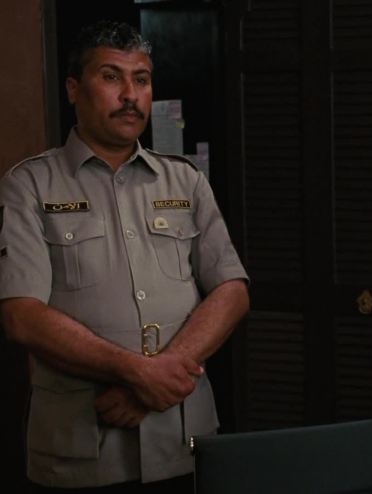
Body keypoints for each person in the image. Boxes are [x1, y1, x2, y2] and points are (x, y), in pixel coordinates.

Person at [0, 20, 249, 492]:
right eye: (111, 77)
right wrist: (137, 372)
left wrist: (155, 381)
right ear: (73, 89)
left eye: (142, 79)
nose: (130, 95)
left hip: (182, 444)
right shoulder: (29, 186)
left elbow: (232, 290)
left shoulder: (185, 181)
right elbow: (22, 316)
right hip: (80, 454)